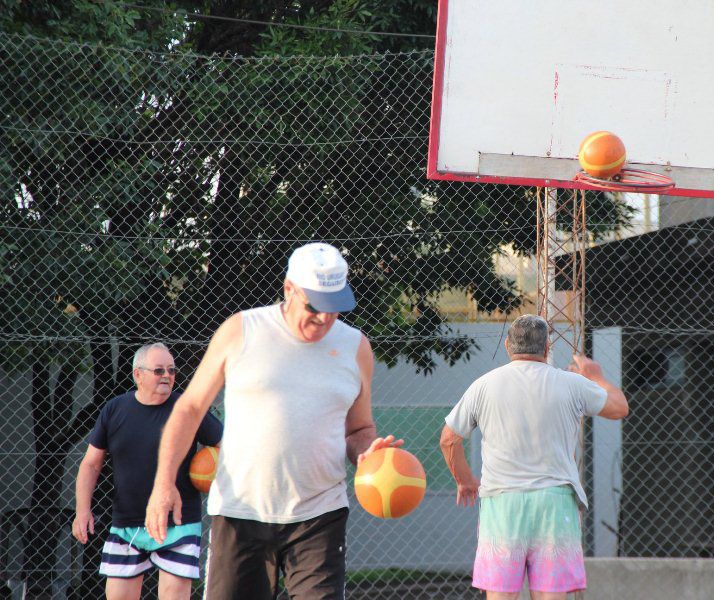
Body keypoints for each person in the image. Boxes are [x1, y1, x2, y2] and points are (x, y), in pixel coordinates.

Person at [144, 242, 401, 600]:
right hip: (241, 512)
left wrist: (368, 453)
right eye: (315, 306)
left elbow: (358, 430)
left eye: (335, 308)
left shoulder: (356, 346)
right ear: (288, 289)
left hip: (319, 514)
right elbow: (189, 409)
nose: (325, 318)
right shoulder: (241, 331)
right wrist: (163, 483)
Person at [439, 314, 628, 600]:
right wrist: (596, 377)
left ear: (507, 345)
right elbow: (619, 407)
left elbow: (448, 439)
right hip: (554, 503)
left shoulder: (484, 385)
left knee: (501, 595)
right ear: (547, 348)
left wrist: (464, 481)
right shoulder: (571, 384)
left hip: (503, 504)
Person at [72, 342, 223, 600]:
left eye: (172, 370)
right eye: (158, 370)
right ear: (137, 375)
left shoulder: (187, 408)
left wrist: (211, 470)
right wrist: (82, 511)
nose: (167, 375)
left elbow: (226, 445)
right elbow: (90, 464)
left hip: (179, 522)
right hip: (127, 523)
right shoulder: (114, 409)